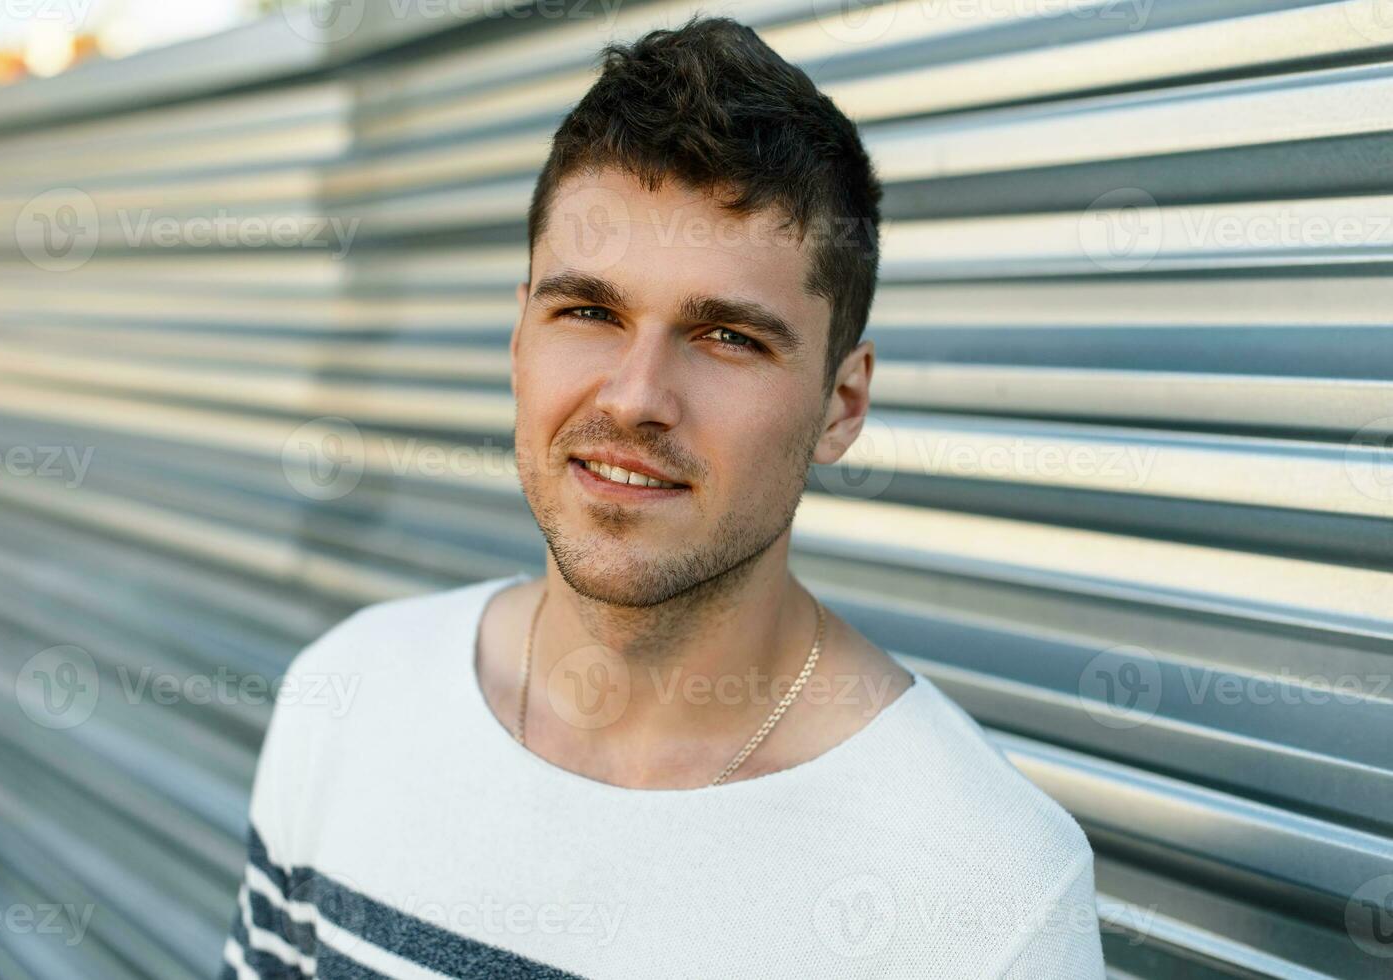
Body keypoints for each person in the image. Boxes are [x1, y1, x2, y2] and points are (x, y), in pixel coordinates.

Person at [219, 14, 1106, 978]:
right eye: (589, 312)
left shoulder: (986, 895)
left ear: (840, 404)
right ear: (519, 340)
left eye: (728, 336)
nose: (637, 398)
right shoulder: (347, 702)